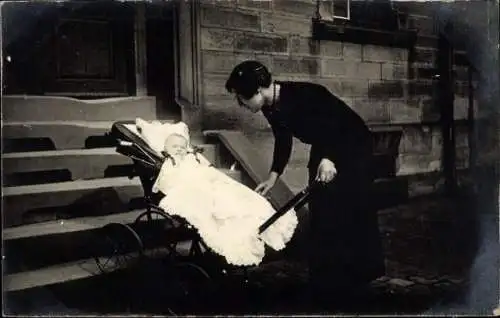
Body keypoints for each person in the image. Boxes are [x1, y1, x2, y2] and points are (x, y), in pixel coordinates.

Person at [225, 60, 386, 311]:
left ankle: (357, 276)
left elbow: (337, 125)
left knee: (348, 207)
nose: (242, 106)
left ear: (257, 91)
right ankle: (327, 281)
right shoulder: (271, 106)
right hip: (325, 146)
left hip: (352, 144)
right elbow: (283, 138)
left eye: (241, 99)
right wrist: (273, 176)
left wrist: (330, 158)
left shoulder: (305, 95)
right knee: (321, 209)